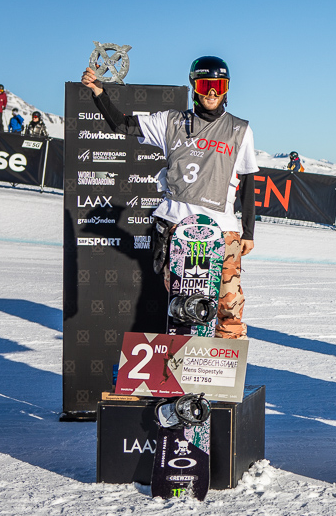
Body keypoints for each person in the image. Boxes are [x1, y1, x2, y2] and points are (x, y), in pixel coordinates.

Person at [81, 56, 259, 340]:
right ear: (194, 87)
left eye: (218, 85)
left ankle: (226, 368)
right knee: (182, 305)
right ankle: (181, 369)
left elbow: (248, 181)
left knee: (229, 302)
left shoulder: (240, 129)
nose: (211, 93)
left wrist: (248, 231)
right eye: (205, 85)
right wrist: (99, 93)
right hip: (177, 226)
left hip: (223, 230)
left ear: (226, 89)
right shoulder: (172, 121)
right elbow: (122, 125)